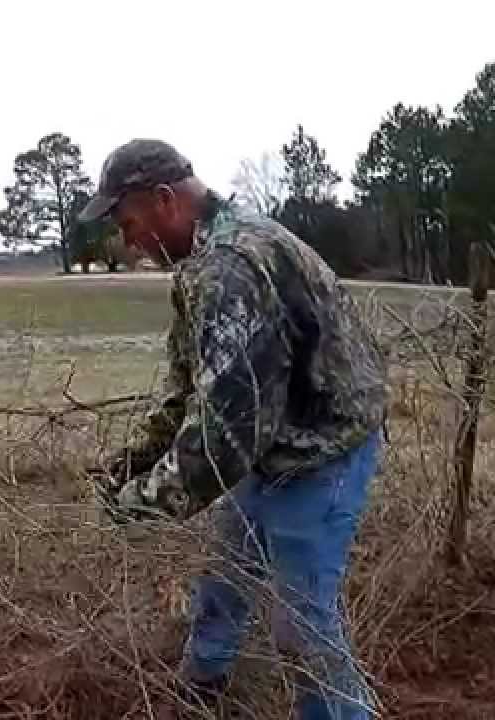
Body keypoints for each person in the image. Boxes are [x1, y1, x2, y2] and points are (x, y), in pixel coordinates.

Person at [81, 139, 387, 720]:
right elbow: (186, 391)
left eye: (128, 223)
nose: (128, 243)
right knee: (228, 573)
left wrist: (135, 504)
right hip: (271, 439)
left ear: (164, 201)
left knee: (301, 621)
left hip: (322, 445)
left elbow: (223, 443)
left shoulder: (231, 269)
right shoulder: (198, 267)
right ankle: (202, 688)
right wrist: (132, 461)